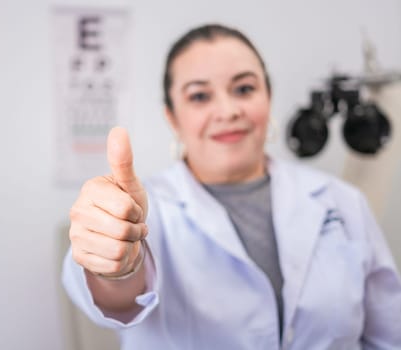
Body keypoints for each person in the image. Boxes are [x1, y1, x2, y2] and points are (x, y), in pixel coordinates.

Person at [61, 24, 401, 349]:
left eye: (244, 89)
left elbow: (389, 335)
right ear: (173, 118)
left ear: (268, 97)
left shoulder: (341, 200)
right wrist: (117, 267)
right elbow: (115, 300)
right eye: (199, 96)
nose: (227, 110)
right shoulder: (142, 210)